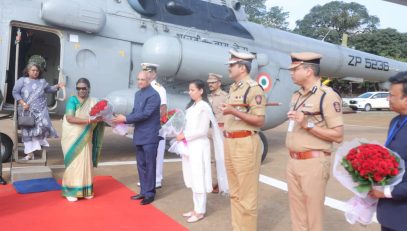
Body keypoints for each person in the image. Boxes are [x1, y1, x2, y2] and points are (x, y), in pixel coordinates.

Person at [285, 52, 344, 231]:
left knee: (313, 214)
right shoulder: (296, 95)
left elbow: (338, 135)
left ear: (309, 71)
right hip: (293, 160)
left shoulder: (327, 96)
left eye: (295, 69)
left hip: (314, 162)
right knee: (297, 214)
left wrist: (307, 124)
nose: (290, 73)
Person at [221, 49, 266, 231]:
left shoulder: (253, 88)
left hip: (245, 143)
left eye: (232, 65)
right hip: (230, 142)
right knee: (235, 193)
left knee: (247, 196)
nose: (229, 69)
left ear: (242, 67)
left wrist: (233, 111)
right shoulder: (233, 88)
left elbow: (259, 120)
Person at [175, 79, 225, 223]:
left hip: (199, 146)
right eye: (189, 90)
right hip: (190, 146)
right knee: (192, 176)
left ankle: (200, 211)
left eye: (193, 90)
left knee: (199, 177)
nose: (190, 92)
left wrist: (184, 135)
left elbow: (202, 130)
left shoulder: (204, 106)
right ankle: (196, 207)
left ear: (201, 91)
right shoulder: (192, 107)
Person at [113, 71, 161, 205]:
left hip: (150, 135)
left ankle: (150, 194)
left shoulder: (154, 95)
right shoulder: (138, 94)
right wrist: (122, 120)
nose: (140, 82)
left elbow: (145, 114)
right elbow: (136, 112)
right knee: (141, 164)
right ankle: (144, 191)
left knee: (150, 164)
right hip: (139, 134)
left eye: (143, 79)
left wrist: (126, 118)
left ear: (149, 80)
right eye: (138, 79)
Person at [369, 71, 407, 231]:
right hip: (390, 214)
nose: (387, 98)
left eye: (392, 95)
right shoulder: (396, 121)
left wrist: (386, 192)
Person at [61, 78, 105, 202]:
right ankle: (71, 191)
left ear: (88, 89)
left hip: (86, 136)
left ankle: (85, 190)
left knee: (86, 162)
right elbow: (70, 118)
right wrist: (89, 120)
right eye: (78, 88)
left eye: (83, 88)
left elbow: (100, 115)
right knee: (74, 163)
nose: (81, 90)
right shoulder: (72, 100)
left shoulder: (93, 101)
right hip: (73, 137)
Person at [12, 63, 64, 160]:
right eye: (33, 70)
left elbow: (49, 89)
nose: (35, 72)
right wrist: (23, 103)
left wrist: (57, 86)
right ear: (28, 71)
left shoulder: (42, 81)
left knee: (40, 129)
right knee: (27, 130)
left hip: (41, 111)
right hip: (26, 110)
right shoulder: (22, 80)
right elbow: (15, 92)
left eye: (37, 70)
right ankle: (30, 153)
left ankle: (35, 149)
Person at [140, 63, 167, 189]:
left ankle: (156, 179)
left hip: (155, 126)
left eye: (149, 71)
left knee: (156, 153)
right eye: (144, 71)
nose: (146, 73)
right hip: (145, 126)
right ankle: (146, 179)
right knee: (145, 153)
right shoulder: (144, 87)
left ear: (154, 74)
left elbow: (163, 108)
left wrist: (154, 123)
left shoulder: (159, 88)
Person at [207, 73, 227, 193]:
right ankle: (214, 182)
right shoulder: (208, 97)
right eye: (209, 83)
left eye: (213, 82)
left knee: (220, 157)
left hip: (220, 129)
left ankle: (222, 183)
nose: (210, 84)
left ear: (219, 83)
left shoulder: (225, 96)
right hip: (209, 129)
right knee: (210, 158)